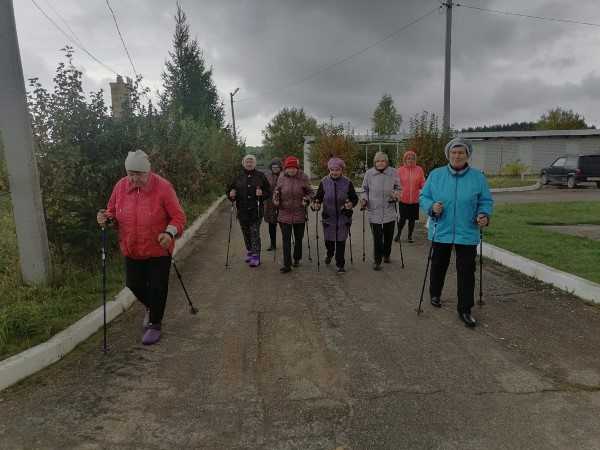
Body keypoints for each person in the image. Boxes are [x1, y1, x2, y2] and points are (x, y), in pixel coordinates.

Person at [97, 150, 186, 345]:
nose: (134, 179)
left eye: (139, 174)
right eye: (130, 174)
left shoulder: (163, 187)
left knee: (157, 287)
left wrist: (169, 233)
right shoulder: (120, 186)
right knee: (133, 284)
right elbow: (112, 212)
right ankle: (152, 307)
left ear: (148, 171)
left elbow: (179, 217)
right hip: (132, 247)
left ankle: (155, 323)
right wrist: (106, 218)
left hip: (158, 248)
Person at [419, 137, 493, 328]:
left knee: (466, 270)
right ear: (448, 154)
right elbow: (424, 196)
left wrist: (484, 214)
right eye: (454, 152)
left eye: (461, 152)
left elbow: (485, 201)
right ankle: (435, 293)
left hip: (467, 230)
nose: (457, 156)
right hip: (441, 229)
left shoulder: (478, 177)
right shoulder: (436, 175)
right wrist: (431, 206)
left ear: (467, 155)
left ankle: (465, 309)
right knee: (438, 264)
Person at [313, 157, 358, 273]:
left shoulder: (347, 182)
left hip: (343, 217)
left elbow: (354, 198)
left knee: (341, 241)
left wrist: (350, 204)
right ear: (329, 170)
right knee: (329, 241)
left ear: (342, 170)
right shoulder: (324, 182)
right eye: (332, 170)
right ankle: (329, 254)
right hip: (329, 217)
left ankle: (340, 264)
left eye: (337, 169)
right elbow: (318, 197)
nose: (334, 172)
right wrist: (316, 204)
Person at [227, 154, 271, 267]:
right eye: (247, 162)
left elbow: (268, 191)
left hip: (256, 211)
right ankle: (250, 251)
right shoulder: (238, 177)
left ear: (255, 164)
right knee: (246, 233)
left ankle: (256, 256)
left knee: (254, 233)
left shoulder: (261, 176)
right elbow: (229, 190)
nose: (249, 164)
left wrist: (262, 194)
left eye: (251, 162)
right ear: (243, 163)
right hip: (242, 211)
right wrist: (231, 194)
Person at [360, 151, 400, 271]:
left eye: (383, 161)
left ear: (387, 162)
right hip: (374, 210)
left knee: (388, 236)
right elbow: (364, 189)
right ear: (374, 162)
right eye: (378, 161)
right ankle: (377, 261)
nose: (380, 163)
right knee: (377, 238)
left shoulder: (393, 172)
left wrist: (396, 194)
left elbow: (398, 187)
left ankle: (386, 255)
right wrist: (364, 199)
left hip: (389, 209)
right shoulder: (369, 173)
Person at [273, 156, 314, 273]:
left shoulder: (303, 177)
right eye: (289, 168)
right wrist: (275, 198)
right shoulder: (281, 177)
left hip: (299, 213)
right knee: (286, 240)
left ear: (297, 168)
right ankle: (287, 264)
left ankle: (296, 258)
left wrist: (307, 199)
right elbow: (276, 191)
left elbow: (311, 192)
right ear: (285, 168)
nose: (291, 170)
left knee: (298, 239)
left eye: (294, 168)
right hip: (284, 213)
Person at [395, 149, 425, 243]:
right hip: (403, 199)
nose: (410, 160)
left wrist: (426, 189)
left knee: (412, 220)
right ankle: (398, 234)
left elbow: (422, 182)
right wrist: (396, 193)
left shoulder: (419, 169)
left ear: (415, 159)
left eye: (412, 158)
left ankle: (410, 236)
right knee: (402, 219)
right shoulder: (400, 170)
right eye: (408, 158)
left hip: (415, 200)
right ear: (405, 159)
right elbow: (396, 184)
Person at [263, 158, 282, 251]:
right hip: (270, 203)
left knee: (284, 224)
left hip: (282, 203)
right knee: (271, 225)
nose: (275, 168)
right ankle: (273, 244)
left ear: (280, 167)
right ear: (271, 167)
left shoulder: (284, 175)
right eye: (273, 167)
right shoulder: (267, 175)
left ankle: (286, 242)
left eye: (277, 167)